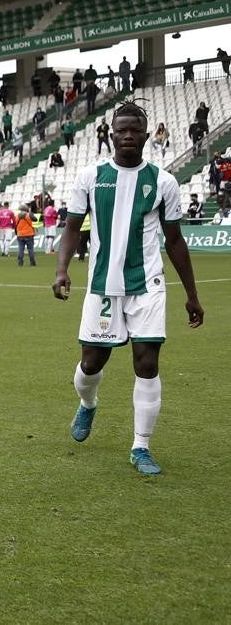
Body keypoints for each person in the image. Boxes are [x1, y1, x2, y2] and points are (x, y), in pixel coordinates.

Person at [53, 100, 204, 476]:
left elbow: (174, 241)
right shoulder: (90, 177)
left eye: (135, 130)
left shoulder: (163, 181)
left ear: (146, 135)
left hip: (147, 285)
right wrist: (62, 271)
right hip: (103, 286)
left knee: (147, 363)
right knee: (91, 364)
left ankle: (141, 446)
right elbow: (72, 228)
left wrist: (192, 295)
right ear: (111, 134)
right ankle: (88, 405)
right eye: (121, 130)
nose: (127, 136)